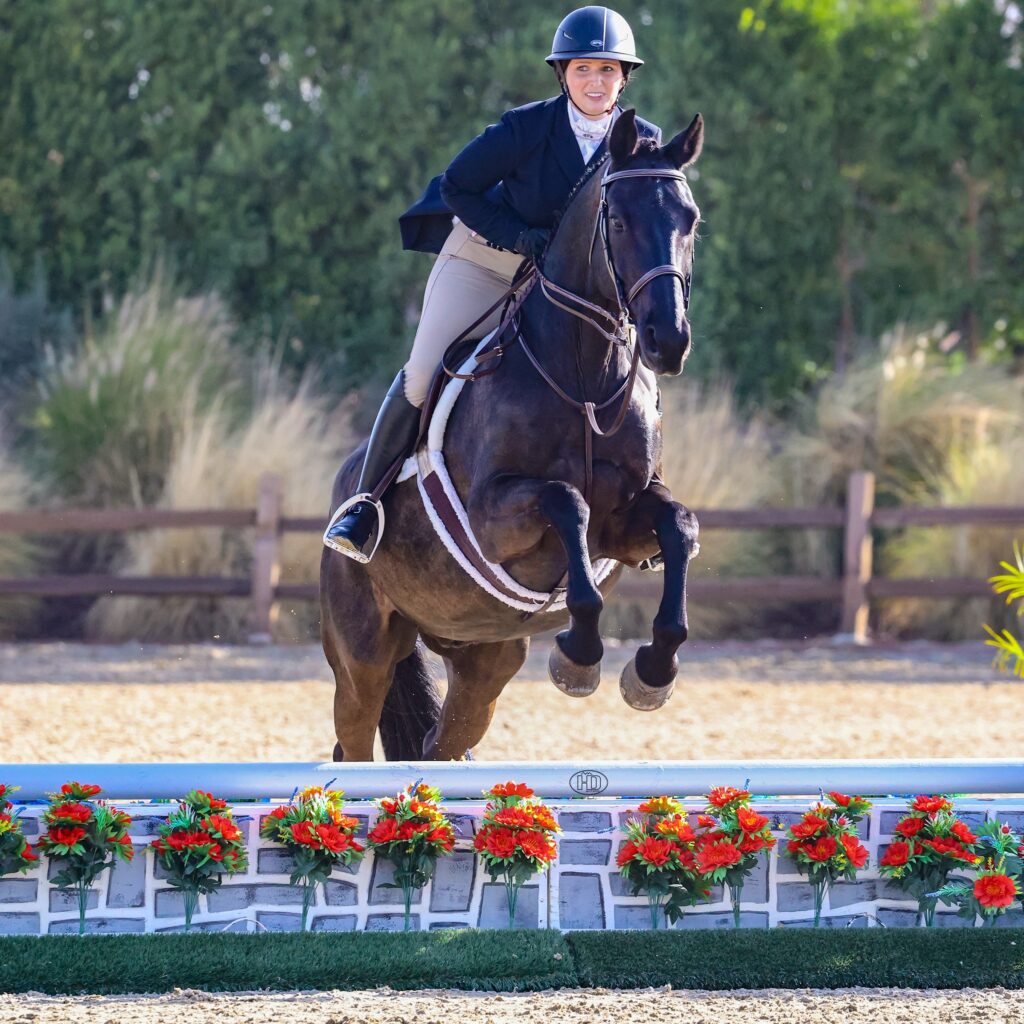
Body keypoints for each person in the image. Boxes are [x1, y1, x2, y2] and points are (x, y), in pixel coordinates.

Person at [324, 6, 661, 561]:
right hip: (489, 258)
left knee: (635, 376)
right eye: (583, 70)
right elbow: (458, 186)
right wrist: (521, 236)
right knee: (424, 370)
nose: (595, 83)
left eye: (607, 70)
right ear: (563, 75)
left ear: (625, 77)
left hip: (578, 286)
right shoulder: (525, 127)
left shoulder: (641, 141)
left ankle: (643, 503)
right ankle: (366, 506)